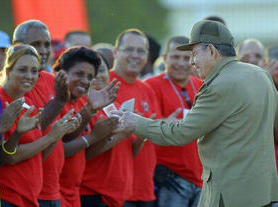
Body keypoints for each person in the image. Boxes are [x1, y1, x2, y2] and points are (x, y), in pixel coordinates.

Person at [113, 20, 278, 207]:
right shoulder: (261, 75)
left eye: (193, 54)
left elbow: (181, 133)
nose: (191, 62)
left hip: (230, 194)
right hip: (263, 192)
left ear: (211, 51)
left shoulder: (218, 85)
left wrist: (137, 123)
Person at [0, 44, 81, 207]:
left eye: (34, 71)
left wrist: (57, 134)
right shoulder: (0, 100)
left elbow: (38, 156)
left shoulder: (27, 102)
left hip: (30, 196)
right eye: (22, 70)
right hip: (9, 195)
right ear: (8, 71)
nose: (29, 76)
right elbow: (9, 157)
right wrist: (50, 137)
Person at [12, 19, 76, 207]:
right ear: (17, 47)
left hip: (53, 188)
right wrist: (58, 102)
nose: (43, 51)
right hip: (25, 190)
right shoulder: (13, 82)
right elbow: (31, 131)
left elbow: (64, 135)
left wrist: (88, 112)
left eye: (47, 44)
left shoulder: (51, 79)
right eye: (36, 45)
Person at [54, 46, 119, 207]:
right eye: (79, 74)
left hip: (73, 193)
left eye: (90, 76)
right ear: (62, 72)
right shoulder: (54, 101)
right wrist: (93, 137)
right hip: (55, 193)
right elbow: (58, 149)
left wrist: (105, 132)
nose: (85, 80)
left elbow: (77, 144)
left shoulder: (82, 101)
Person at [145, 36, 203, 207]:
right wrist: (166, 123)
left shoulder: (203, 86)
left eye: (186, 58)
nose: (181, 63)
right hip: (170, 177)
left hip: (202, 176)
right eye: (175, 57)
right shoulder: (150, 85)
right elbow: (147, 125)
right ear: (164, 58)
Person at [110, 28, 160, 207]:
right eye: (129, 49)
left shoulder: (147, 89)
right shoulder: (106, 85)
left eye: (141, 51)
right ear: (116, 52)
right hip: (115, 192)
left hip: (145, 190)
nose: (135, 55)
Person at [80, 55, 133, 207]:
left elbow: (128, 149)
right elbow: (85, 153)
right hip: (92, 192)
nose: (98, 76)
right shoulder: (83, 106)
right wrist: (120, 134)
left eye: (101, 70)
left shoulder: (114, 103)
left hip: (117, 194)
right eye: (92, 73)